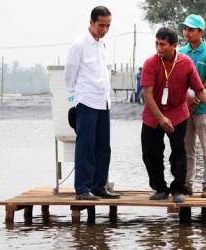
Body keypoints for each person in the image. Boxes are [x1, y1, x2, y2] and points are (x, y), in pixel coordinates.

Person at [140, 27, 206, 203]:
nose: (158, 48)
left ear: (174, 46)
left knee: (179, 151)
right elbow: (147, 95)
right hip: (153, 113)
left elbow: (200, 90)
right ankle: (160, 188)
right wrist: (161, 118)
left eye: (162, 44)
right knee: (150, 152)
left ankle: (179, 188)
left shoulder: (186, 63)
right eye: (156, 44)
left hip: (177, 113)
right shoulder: (151, 63)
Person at [64, 6, 120, 200]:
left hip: (103, 100)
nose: (104, 30)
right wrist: (78, 95)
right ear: (91, 23)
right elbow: (69, 74)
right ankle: (82, 189)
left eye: (108, 26)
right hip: (86, 100)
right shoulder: (79, 44)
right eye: (101, 25)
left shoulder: (102, 44)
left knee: (104, 146)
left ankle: (99, 186)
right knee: (86, 145)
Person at [178, 14, 206, 198]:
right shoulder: (180, 52)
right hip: (184, 109)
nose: (187, 33)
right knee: (187, 149)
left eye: (191, 30)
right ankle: (188, 184)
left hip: (204, 109)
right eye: (185, 29)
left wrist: (196, 100)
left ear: (201, 32)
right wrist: (187, 102)